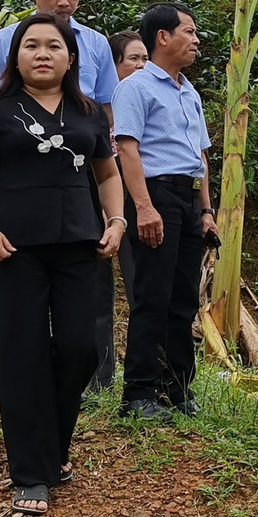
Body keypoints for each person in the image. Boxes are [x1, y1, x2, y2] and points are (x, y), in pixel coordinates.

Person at [0, 14, 127, 515]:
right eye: (31, 46)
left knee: (80, 347)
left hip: (80, 247)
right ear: (15, 56)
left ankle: (54, 447)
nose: (42, 54)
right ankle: (30, 471)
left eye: (53, 46)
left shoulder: (88, 112)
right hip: (14, 247)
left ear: (71, 57)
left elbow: (107, 172)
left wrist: (116, 220)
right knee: (23, 352)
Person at [0, 0, 121, 400]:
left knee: (89, 278)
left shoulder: (95, 43)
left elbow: (106, 112)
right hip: (26, 178)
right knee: (28, 290)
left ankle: (91, 376)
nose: (64, 1)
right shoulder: (5, 42)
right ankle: (35, 381)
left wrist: (109, 196)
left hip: (82, 174)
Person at [112, 4, 218, 422]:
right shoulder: (136, 87)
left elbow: (202, 157)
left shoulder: (188, 90)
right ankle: (138, 393)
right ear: (163, 37)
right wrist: (143, 207)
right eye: (189, 33)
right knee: (152, 296)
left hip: (190, 200)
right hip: (156, 195)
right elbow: (127, 148)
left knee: (183, 299)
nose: (196, 41)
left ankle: (177, 388)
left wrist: (207, 210)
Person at [92, 30, 151, 394]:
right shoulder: (95, 113)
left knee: (140, 289)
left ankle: (145, 378)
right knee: (98, 294)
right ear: (113, 66)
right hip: (104, 208)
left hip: (143, 206)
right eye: (134, 59)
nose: (143, 66)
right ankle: (98, 378)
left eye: (146, 58)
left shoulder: (149, 99)